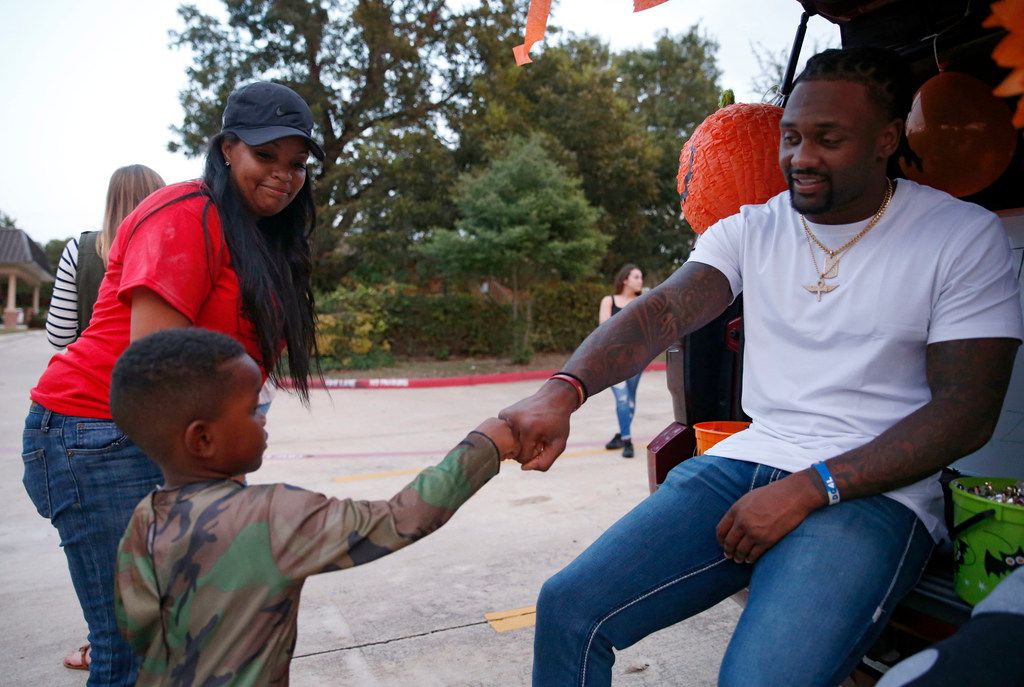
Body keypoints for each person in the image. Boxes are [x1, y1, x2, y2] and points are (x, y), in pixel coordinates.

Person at [499, 48, 1023, 686]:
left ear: (887, 140)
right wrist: (565, 388)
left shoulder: (960, 236)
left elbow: (966, 415)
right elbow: (660, 310)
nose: (801, 157)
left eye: (828, 139)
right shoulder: (753, 228)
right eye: (793, 137)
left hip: (877, 493)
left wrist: (808, 488)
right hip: (747, 460)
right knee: (568, 608)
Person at [21, 81, 324, 687]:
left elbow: (240, 381)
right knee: (135, 652)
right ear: (228, 149)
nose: (283, 176)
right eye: (266, 157)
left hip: (162, 443)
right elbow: (156, 373)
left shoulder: (262, 240)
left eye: (296, 164)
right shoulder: (187, 215)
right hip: (100, 441)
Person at [109, 328, 518, 685]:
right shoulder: (272, 516)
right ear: (202, 440)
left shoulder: (143, 519)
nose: (263, 420)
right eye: (253, 410)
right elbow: (403, 518)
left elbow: (135, 628)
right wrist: (486, 445)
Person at [46, 165, 166, 351]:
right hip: (159, 372)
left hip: (94, 373)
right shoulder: (178, 251)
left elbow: (59, 336)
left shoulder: (78, 250)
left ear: (112, 202)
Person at [598, 264, 644, 458]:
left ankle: (620, 434)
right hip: (615, 361)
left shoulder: (642, 302)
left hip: (636, 360)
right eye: (636, 277)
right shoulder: (609, 301)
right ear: (625, 279)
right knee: (623, 400)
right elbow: (604, 328)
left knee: (631, 402)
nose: (640, 281)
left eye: (641, 277)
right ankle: (627, 441)